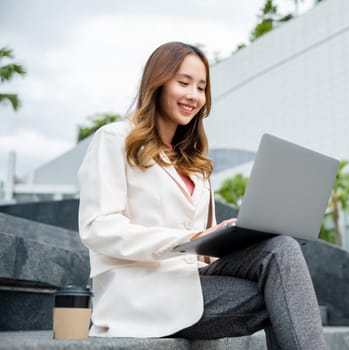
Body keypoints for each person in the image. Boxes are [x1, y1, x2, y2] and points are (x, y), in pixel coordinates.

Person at [78, 41, 326, 349]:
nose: (194, 96)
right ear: (157, 83)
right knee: (285, 298)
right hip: (141, 291)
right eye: (184, 83)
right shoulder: (115, 140)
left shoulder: (196, 165)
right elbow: (98, 228)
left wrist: (231, 236)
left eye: (201, 87)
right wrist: (189, 237)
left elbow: (203, 251)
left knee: (281, 248)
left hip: (192, 279)